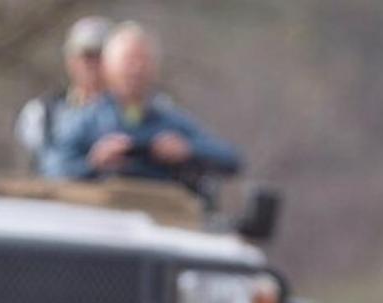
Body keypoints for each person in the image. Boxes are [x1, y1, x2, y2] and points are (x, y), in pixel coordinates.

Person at [47, 22, 244, 183]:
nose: (136, 70)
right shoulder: (86, 120)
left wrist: (187, 150)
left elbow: (231, 160)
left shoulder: (170, 121)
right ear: (108, 66)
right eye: (128, 61)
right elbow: (51, 170)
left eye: (144, 61)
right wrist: (94, 162)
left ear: (155, 67)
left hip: (162, 218)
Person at [14, 16, 113, 175]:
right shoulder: (42, 113)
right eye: (87, 56)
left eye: (101, 56)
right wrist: (90, 163)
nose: (94, 65)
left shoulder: (131, 112)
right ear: (71, 60)